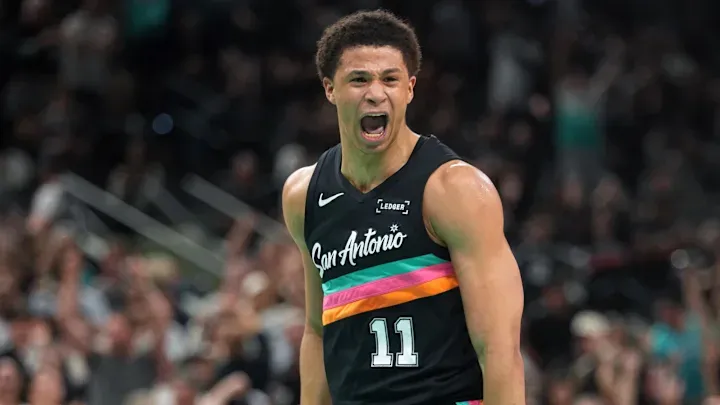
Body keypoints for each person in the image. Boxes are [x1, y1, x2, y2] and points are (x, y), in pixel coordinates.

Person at [282, 9, 525, 405]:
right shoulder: (303, 195)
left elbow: (500, 352)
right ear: (330, 89)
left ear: (410, 88)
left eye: (390, 79)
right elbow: (317, 331)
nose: (376, 93)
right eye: (359, 79)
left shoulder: (455, 190)